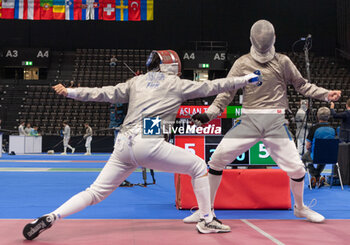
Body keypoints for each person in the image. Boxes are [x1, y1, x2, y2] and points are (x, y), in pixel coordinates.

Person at [23, 49, 261, 240]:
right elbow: (214, 86)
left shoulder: (136, 82)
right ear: (171, 65)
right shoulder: (175, 84)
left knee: (94, 192)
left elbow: (104, 93)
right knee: (199, 166)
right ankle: (207, 219)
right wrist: (245, 79)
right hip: (147, 142)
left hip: (123, 143)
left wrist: (71, 91)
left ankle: (52, 216)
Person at [185, 20, 341, 224]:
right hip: (248, 120)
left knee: (297, 169)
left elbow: (302, 85)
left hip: (275, 122)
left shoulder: (283, 61)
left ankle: (300, 208)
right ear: (252, 40)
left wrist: (326, 94)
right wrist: (210, 113)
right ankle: (206, 211)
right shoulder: (241, 63)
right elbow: (227, 93)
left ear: (274, 39)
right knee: (216, 161)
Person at [302, 107, 335, 188]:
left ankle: (315, 175)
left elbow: (308, 146)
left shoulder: (313, 128)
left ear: (317, 116)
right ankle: (318, 176)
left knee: (304, 158)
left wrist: (311, 150)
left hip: (316, 155)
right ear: (329, 116)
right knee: (323, 158)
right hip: (329, 156)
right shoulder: (332, 129)